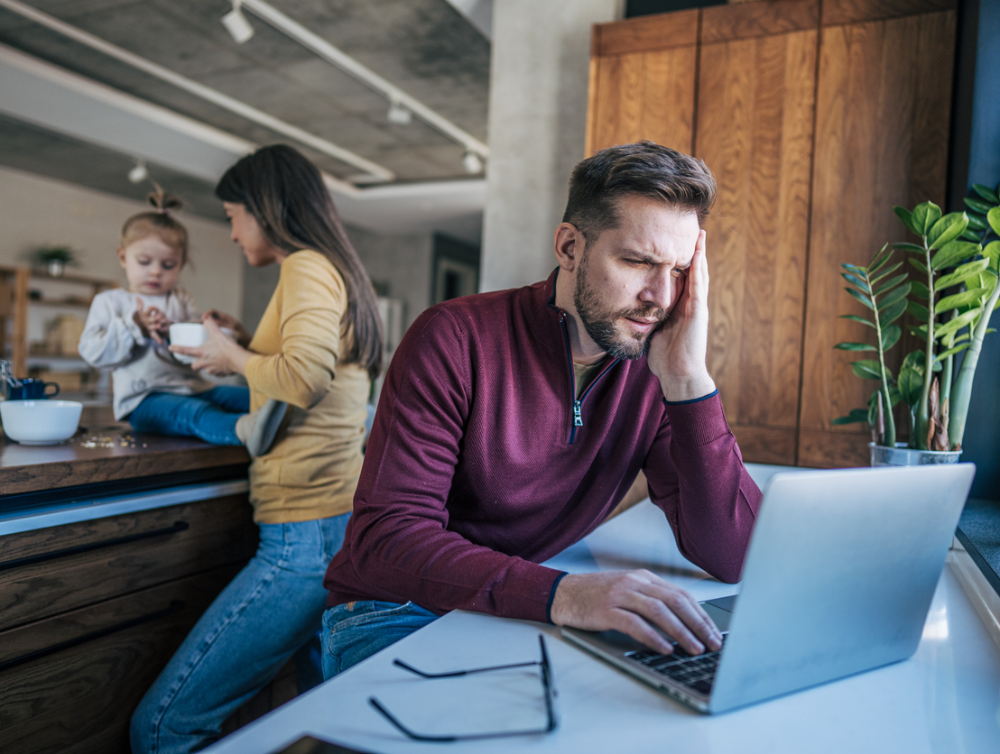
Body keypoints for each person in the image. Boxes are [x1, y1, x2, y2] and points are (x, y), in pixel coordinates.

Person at [320, 141, 763, 678]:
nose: (661, 297)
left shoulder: (658, 368)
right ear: (570, 247)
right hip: (394, 610)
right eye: (638, 261)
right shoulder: (454, 338)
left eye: (679, 270)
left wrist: (690, 382)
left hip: (522, 604)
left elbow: (735, 554)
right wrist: (566, 595)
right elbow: (387, 539)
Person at [130, 145, 383, 754]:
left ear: (265, 210)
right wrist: (246, 344)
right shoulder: (331, 268)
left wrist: (228, 357)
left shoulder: (305, 267)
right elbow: (312, 369)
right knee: (325, 723)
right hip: (335, 521)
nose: (233, 230)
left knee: (162, 730)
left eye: (233, 214)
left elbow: (304, 378)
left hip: (304, 532)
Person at [78, 188, 285, 456]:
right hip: (144, 401)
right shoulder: (110, 302)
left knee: (244, 397)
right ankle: (244, 431)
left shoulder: (181, 299)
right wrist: (134, 327)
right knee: (195, 413)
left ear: (181, 264)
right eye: (144, 261)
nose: (155, 271)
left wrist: (176, 334)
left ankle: (295, 423)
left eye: (168, 265)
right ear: (123, 257)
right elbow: (93, 354)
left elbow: (194, 355)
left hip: (194, 387)